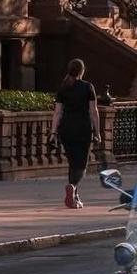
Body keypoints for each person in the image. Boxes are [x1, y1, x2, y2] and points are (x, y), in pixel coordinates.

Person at [52, 58, 101, 209]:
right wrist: (97, 132)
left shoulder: (63, 87)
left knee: (73, 162)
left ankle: (74, 196)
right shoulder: (87, 87)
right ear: (82, 71)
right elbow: (93, 111)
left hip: (66, 128)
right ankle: (72, 187)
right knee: (81, 164)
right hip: (82, 128)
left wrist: (53, 132)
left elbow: (57, 112)